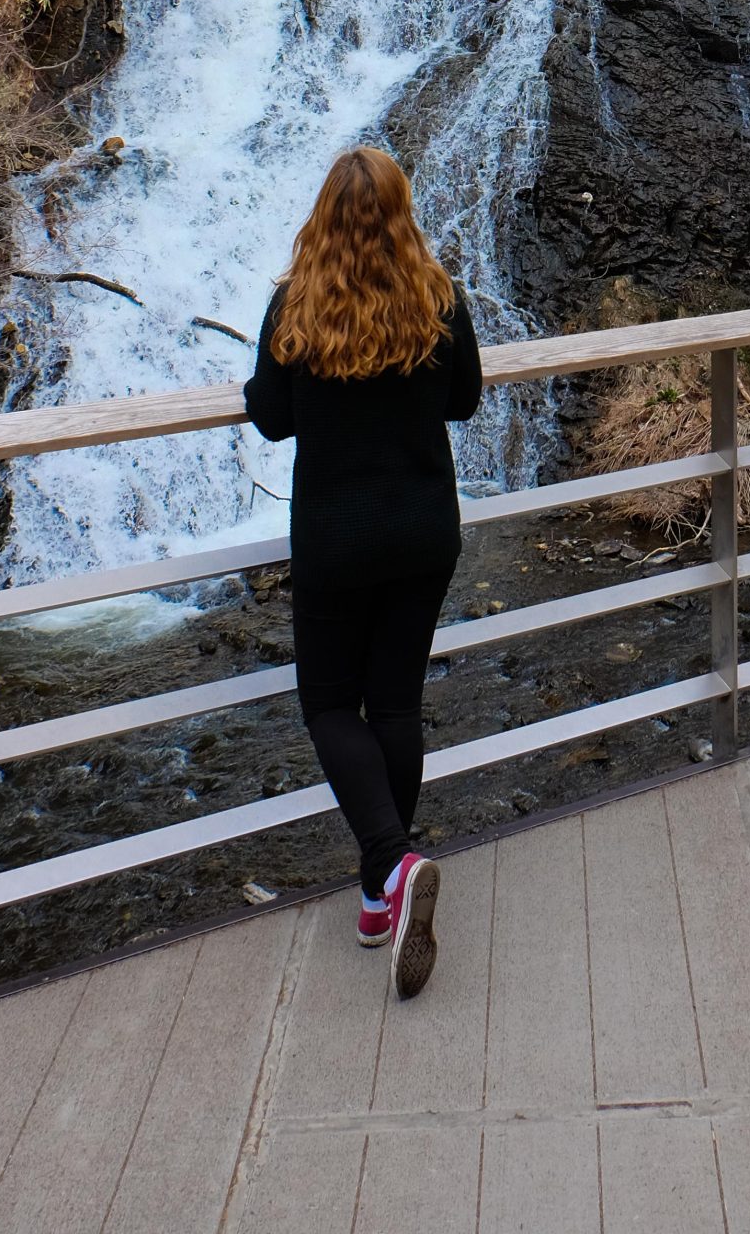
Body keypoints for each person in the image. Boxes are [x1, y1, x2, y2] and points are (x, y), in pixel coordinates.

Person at [244, 144, 482, 999]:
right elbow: (463, 401)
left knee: (325, 705)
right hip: (422, 533)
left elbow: (270, 421)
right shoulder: (436, 297)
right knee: (395, 705)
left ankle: (390, 860)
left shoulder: (294, 306)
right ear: (401, 212)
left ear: (322, 220)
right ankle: (382, 893)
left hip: (337, 540)